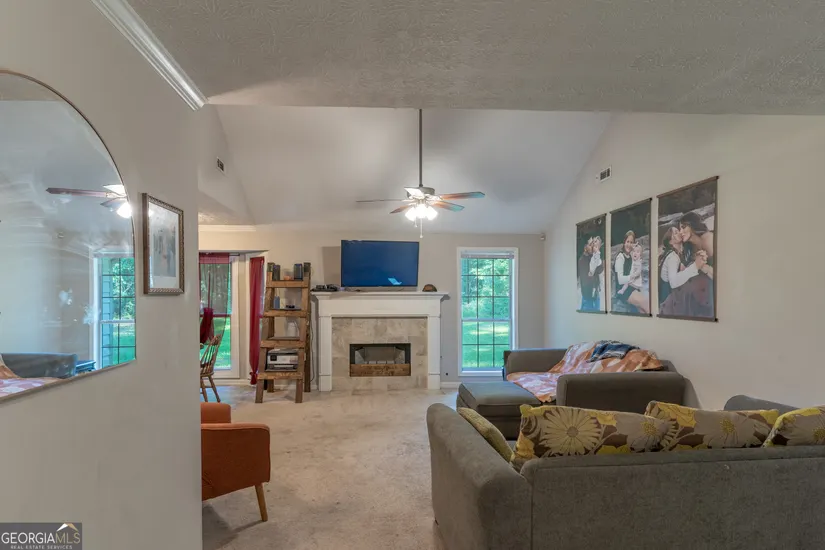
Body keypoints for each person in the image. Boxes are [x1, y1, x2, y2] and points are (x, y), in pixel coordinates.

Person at [659, 225, 713, 317]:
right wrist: (695, 266)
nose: (680, 232)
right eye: (676, 233)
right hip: (668, 299)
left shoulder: (683, 251)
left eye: (679, 230)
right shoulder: (672, 257)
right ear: (671, 241)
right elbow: (673, 282)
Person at [613, 231, 649, 314]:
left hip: (631, 286)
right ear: (624, 242)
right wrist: (632, 277)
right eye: (627, 242)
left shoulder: (632, 256)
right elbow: (620, 280)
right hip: (623, 289)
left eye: (631, 242)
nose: (629, 244)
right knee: (646, 302)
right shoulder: (620, 257)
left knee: (643, 309)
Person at [577, 237, 603, 311]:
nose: (592, 246)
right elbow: (587, 280)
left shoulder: (593, 256)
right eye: (590, 244)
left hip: (595, 295)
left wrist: (597, 255)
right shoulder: (582, 260)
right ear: (585, 247)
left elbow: (600, 270)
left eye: (593, 244)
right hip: (588, 297)